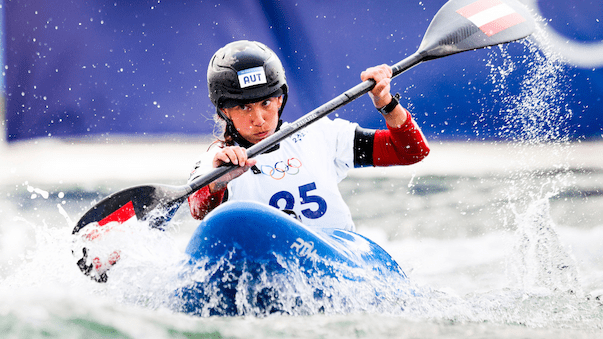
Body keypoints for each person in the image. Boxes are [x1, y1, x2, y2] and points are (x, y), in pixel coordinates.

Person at [187, 40, 429, 231]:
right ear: (224, 110)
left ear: (280, 99)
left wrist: (385, 102)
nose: (258, 118)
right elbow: (198, 210)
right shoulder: (215, 161)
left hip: (337, 263)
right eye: (244, 107)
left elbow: (411, 151)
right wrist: (218, 182)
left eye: (266, 103)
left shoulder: (321, 134)